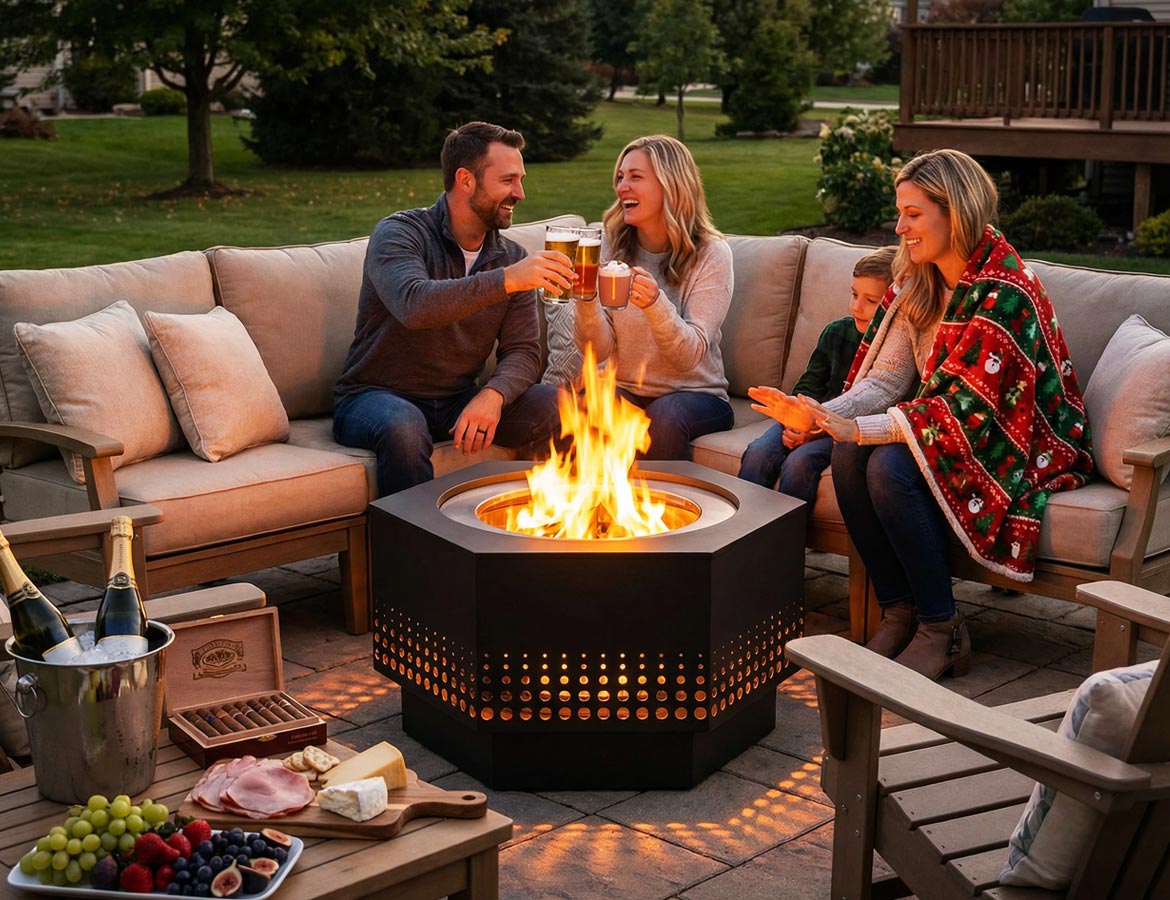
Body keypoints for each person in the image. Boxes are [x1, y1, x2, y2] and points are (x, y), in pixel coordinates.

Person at [750, 149, 1093, 680]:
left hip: (1015, 436)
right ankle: (899, 612)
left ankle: (941, 627)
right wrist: (818, 415)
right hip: (950, 421)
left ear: (955, 212)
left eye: (913, 214)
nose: (899, 227)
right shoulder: (918, 279)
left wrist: (854, 428)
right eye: (900, 213)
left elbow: (970, 407)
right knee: (848, 452)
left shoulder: (1004, 290)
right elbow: (886, 380)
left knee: (889, 465)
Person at [333, 121, 574, 496]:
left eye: (520, 180)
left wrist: (493, 395)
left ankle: (548, 519)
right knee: (403, 426)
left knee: (559, 405)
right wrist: (507, 280)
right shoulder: (400, 234)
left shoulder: (510, 257)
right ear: (465, 180)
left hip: (456, 400)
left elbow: (524, 351)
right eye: (508, 180)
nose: (520, 193)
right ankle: (411, 537)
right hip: (375, 397)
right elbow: (415, 305)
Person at [572, 135, 734, 460]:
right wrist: (585, 298)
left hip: (696, 395)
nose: (622, 187)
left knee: (665, 417)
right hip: (627, 389)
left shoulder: (711, 254)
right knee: (583, 405)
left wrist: (655, 304)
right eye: (620, 177)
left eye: (635, 177)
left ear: (670, 185)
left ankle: (663, 496)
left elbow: (689, 356)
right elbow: (597, 350)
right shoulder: (610, 246)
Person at [738, 246, 895, 508]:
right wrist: (797, 423)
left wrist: (815, 431)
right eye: (854, 294)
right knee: (758, 452)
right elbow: (807, 386)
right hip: (806, 417)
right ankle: (744, 528)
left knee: (800, 462)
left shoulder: (896, 353)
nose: (857, 307)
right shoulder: (836, 332)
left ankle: (787, 533)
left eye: (871, 301)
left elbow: (877, 411)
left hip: (845, 432)